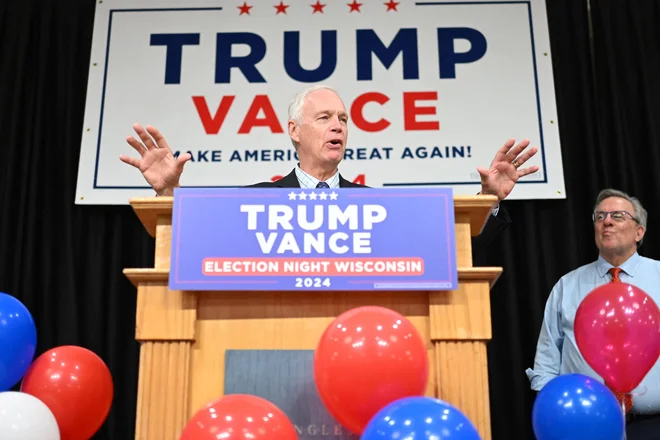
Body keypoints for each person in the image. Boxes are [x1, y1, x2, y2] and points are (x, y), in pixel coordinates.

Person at [120, 84, 539, 253]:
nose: (337, 125)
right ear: (294, 131)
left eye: (342, 119)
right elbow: (193, 248)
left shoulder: (379, 207)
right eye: (323, 118)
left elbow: (454, 254)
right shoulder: (254, 201)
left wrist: (489, 200)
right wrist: (166, 197)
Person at [526, 189, 660, 439]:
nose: (606, 222)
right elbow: (547, 359)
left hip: (653, 425)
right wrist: (553, 411)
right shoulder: (567, 285)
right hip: (583, 426)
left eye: (618, 216)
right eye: (600, 217)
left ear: (639, 232)